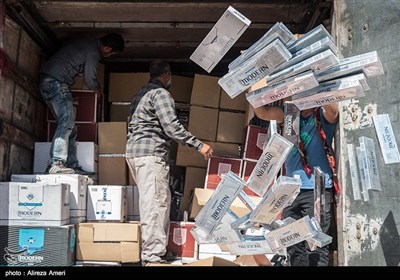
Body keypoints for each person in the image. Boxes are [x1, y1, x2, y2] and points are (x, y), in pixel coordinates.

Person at [125, 59, 213, 265]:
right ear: (166, 74)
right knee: (155, 204)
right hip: (150, 155)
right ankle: (152, 256)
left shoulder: (140, 93)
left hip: (136, 153)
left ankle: (158, 250)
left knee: (156, 201)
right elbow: (172, 127)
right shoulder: (161, 94)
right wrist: (199, 145)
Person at [254, 103, 339, 266]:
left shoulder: (319, 116)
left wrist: (318, 92)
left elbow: (333, 111)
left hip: (317, 189)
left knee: (316, 244)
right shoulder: (288, 116)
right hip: (290, 191)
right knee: (292, 243)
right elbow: (262, 112)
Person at [39, 33, 125, 175]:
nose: (108, 56)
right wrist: (99, 90)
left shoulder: (86, 40)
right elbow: (89, 80)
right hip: (56, 82)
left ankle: (71, 165)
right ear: (108, 48)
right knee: (67, 121)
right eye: (111, 54)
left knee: (68, 124)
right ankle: (56, 163)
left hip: (48, 81)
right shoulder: (93, 52)